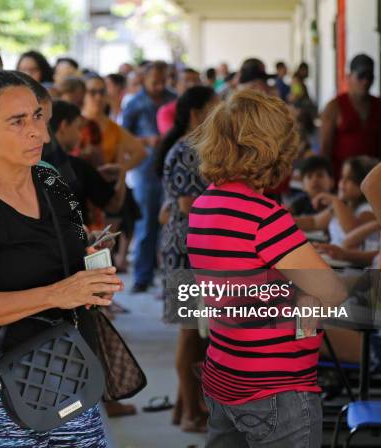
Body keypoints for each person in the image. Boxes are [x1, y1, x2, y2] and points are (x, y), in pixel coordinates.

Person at [0, 69, 122, 445]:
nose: (39, 132)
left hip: (68, 367)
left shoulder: (53, 185)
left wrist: (90, 275)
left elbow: (63, 260)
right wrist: (57, 294)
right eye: (18, 122)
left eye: (37, 116)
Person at [187, 89, 346, 447]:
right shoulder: (264, 218)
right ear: (274, 148)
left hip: (223, 375)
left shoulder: (203, 206)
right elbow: (332, 291)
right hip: (276, 388)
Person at [158, 86, 216, 433]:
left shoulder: (192, 148)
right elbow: (186, 205)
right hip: (186, 250)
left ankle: (184, 407)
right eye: (214, 109)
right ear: (196, 114)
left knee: (198, 333)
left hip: (193, 247)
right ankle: (192, 411)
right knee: (190, 333)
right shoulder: (187, 150)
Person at [122, 61, 176, 292]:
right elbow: (123, 136)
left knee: (171, 223)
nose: (158, 85)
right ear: (144, 79)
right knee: (145, 223)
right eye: (154, 81)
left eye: (162, 81)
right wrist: (146, 141)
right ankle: (142, 277)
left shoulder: (173, 99)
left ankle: (168, 279)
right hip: (144, 168)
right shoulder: (134, 103)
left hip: (171, 168)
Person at [51, 100, 126, 224]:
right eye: (77, 127)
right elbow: (113, 205)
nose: (80, 136)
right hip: (74, 239)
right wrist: (122, 175)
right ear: (64, 126)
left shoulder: (32, 164)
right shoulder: (76, 166)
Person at [295, 156, 379, 266]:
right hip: (333, 259)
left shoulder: (367, 210)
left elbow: (351, 231)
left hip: (350, 263)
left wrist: (335, 201)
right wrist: (281, 220)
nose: (343, 182)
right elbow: (313, 222)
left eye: (350, 179)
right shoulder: (341, 206)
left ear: (364, 184)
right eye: (342, 177)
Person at [320, 54, 381, 179]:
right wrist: (327, 180)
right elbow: (325, 149)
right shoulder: (334, 106)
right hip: (342, 179)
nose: (365, 82)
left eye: (369, 77)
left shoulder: (380, 107)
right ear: (349, 77)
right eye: (361, 76)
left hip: (372, 178)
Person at [156, 67, 201, 135]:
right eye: (187, 80)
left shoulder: (208, 107)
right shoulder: (166, 111)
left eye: (196, 80)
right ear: (177, 85)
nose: (192, 84)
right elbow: (171, 138)